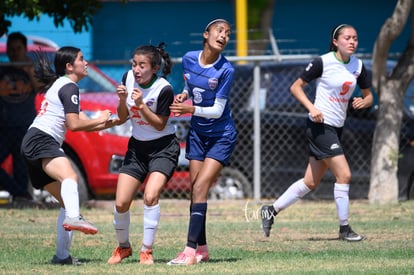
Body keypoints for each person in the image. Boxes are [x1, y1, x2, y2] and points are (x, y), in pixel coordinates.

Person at [261, 24, 373, 242]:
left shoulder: (358, 66)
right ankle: (344, 229)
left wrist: (363, 101)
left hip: (336, 127)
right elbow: (295, 87)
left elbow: (369, 97)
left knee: (310, 182)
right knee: (344, 175)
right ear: (335, 41)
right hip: (320, 126)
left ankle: (270, 210)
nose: (352, 42)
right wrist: (312, 108)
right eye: (347, 38)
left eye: (355, 38)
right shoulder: (323, 62)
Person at [21, 46, 117, 265]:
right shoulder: (69, 86)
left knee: (67, 200)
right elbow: (74, 125)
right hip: (41, 140)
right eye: (81, 59)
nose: (85, 63)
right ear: (69, 66)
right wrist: (101, 118)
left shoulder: (64, 86)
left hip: (33, 141)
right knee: (71, 178)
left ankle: (62, 257)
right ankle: (74, 218)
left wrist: (109, 121)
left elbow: (83, 123)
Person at [167, 18, 237, 265]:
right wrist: (185, 94)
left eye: (228, 33)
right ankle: (202, 249)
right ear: (206, 34)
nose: (224, 36)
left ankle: (188, 253)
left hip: (221, 136)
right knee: (195, 192)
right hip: (198, 133)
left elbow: (218, 111)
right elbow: (188, 83)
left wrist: (188, 109)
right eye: (220, 31)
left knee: (199, 189)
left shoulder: (226, 69)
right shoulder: (188, 58)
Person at [107, 43, 179, 265]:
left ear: (155, 68)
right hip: (137, 148)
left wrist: (141, 105)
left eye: (142, 65)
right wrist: (122, 100)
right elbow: (122, 117)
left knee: (150, 196)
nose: (136, 70)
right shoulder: (127, 77)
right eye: (134, 64)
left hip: (163, 147)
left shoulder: (164, 89)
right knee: (121, 203)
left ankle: (146, 251)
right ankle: (124, 247)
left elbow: (159, 125)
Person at [0, 32, 40, 201]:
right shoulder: (2, 70)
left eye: (18, 49)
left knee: (21, 169)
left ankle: (21, 199)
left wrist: (29, 71)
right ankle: (21, 193)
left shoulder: (31, 69)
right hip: (3, 127)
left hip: (24, 127)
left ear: (25, 50)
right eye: (12, 49)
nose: (15, 52)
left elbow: (41, 88)